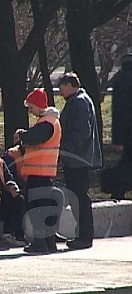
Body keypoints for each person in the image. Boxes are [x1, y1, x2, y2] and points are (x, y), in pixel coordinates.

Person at [14, 89, 64, 253]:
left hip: (39, 173)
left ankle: (40, 242)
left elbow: (34, 138)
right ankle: (48, 242)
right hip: (44, 173)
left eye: (31, 107)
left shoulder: (46, 123)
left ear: (38, 105)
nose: (30, 111)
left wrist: (22, 135)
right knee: (44, 206)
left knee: (35, 207)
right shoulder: (50, 121)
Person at [58, 72, 102, 250]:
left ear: (70, 86)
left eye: (62, 88)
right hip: (79, 158)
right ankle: (82, 235)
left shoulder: (79, 102)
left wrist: (67, 149)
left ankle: (84, 236)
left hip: (77, 159)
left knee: (79, 198)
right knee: (78, 197)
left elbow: (82, 131)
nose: (61, 92)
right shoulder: (80, 100)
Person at [108, 53, 132, 200]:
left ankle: (117, 194)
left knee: (124, 165)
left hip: (128, 133)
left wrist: (117, 139)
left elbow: (119, 112)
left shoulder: (121, 80)